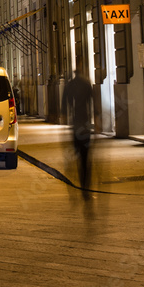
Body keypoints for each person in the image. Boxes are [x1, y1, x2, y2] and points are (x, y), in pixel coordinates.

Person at [62, 58, 93, 193]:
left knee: (78, 152)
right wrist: (97, 119)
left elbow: (65, 104)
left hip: (76, 124)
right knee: (85, 154)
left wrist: (64, 117)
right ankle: (85, 181)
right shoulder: (86, 83)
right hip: (85, 123)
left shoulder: (70, 85)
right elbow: (93, 101)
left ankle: (82, 178)